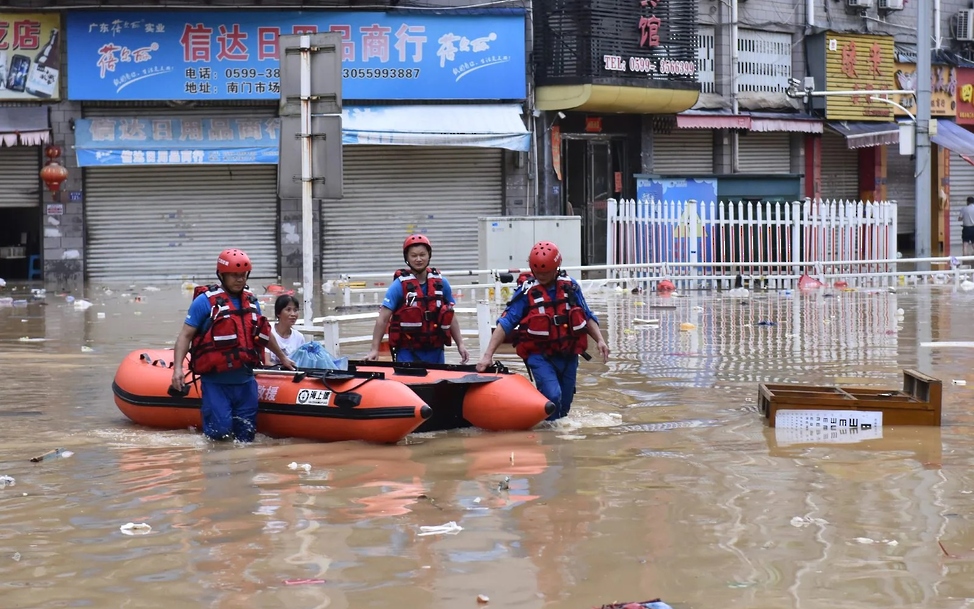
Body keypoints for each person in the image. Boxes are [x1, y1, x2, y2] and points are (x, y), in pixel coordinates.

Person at [171, 248, 295, 442]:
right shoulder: (204, 302)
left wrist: (282, 357)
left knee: (246, 436)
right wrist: (177, 369)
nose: (239, 279)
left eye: (243, 275)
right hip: (216, 383)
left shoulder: (252, 302)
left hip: (246, 382)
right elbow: (185, 336)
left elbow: (264, 333)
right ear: (222, 275)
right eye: (234, 275)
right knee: (219, 435)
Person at [476, 241, 609, 421]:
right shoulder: (527, 292)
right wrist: (488, 355)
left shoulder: (571, 287)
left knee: (564, 406)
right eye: (538, 272)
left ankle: (554, 435)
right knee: (553, 395)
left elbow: (586, 315)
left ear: (556, 268)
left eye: (546, 273)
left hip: (568, 354)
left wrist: (600, 340)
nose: (542, 276)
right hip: (540, 356)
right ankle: (546, 433)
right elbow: (506, 323)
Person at [364, 234, 469, 364]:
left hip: (435, 350)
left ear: (429, 256)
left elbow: (450, 316)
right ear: (407, 258)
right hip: (407, 351)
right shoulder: (398, 286)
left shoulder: (442, 284)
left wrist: (460, 345)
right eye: (413, 256)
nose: (418, 259)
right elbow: (383, 319)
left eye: (422, 255)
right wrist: (374, 349)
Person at [265, 294, 306, 366]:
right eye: (288, 310)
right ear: (278, 313)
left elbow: (300, 363)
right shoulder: (268, 329)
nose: (293, 314)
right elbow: (266, 362)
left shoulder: (299, 337)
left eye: (295, 310)